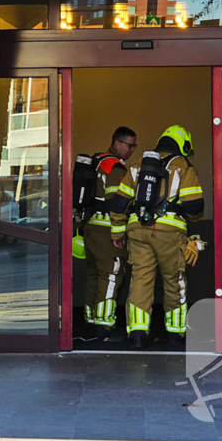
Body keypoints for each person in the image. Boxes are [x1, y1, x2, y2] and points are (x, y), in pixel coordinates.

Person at [109, 125, 204, 349]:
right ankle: (175, 333)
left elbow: (120, 202)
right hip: (170, 233)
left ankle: (138, 334)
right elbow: (194, 207)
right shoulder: (183, 166)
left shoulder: (137, 165)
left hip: (138, 231)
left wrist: (117, 230)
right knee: (174, 281)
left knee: (140, 280)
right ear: (183, 145)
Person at [81, 127, 136, 338]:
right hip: (106, 230)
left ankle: (90, 318)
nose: (131, 150)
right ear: (116, 143)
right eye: (129, 145)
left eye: (134, 146)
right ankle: (104, 325)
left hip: (91, 227)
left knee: (94, 275)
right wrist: (118, 235)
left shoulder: (97, 162)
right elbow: (117, 205)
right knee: (112, 275)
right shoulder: (115, 168)